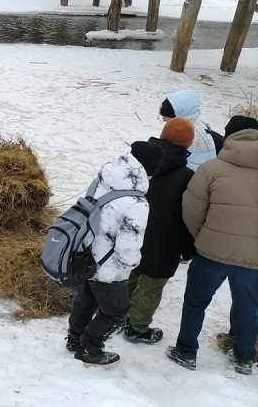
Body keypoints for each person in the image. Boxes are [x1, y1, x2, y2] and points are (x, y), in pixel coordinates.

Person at [166, 115, 258, 376]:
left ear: (229, 136)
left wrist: (202, 237)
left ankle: (186, 351)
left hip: (211, 252)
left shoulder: (211, 168)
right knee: (248, 306)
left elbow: (191, 209)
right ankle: (244, 356)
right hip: (252, 258)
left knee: (196, 302)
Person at [66, 140, 162, 368]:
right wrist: (132, 265)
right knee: (116, 312)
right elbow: (127, 249)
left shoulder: (103, 180)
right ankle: (90, 348)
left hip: (86, 257)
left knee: (85, 301)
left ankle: (74, 339)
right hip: (109, 268)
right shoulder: (136, 202)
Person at [124, 118, 196, 345]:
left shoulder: (141, 161)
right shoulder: (186, 176)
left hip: (133, 229)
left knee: (129, 273)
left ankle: (115, 313)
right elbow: (187, 215)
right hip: (165, 239)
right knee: (151, 285)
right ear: (188, 144)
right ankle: (137, 328)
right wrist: (188, 247)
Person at [159, 89, 217, 171]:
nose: (163, 120)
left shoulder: (189, 134)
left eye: (166, 117)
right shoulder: (195, 125)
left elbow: (194, 166)